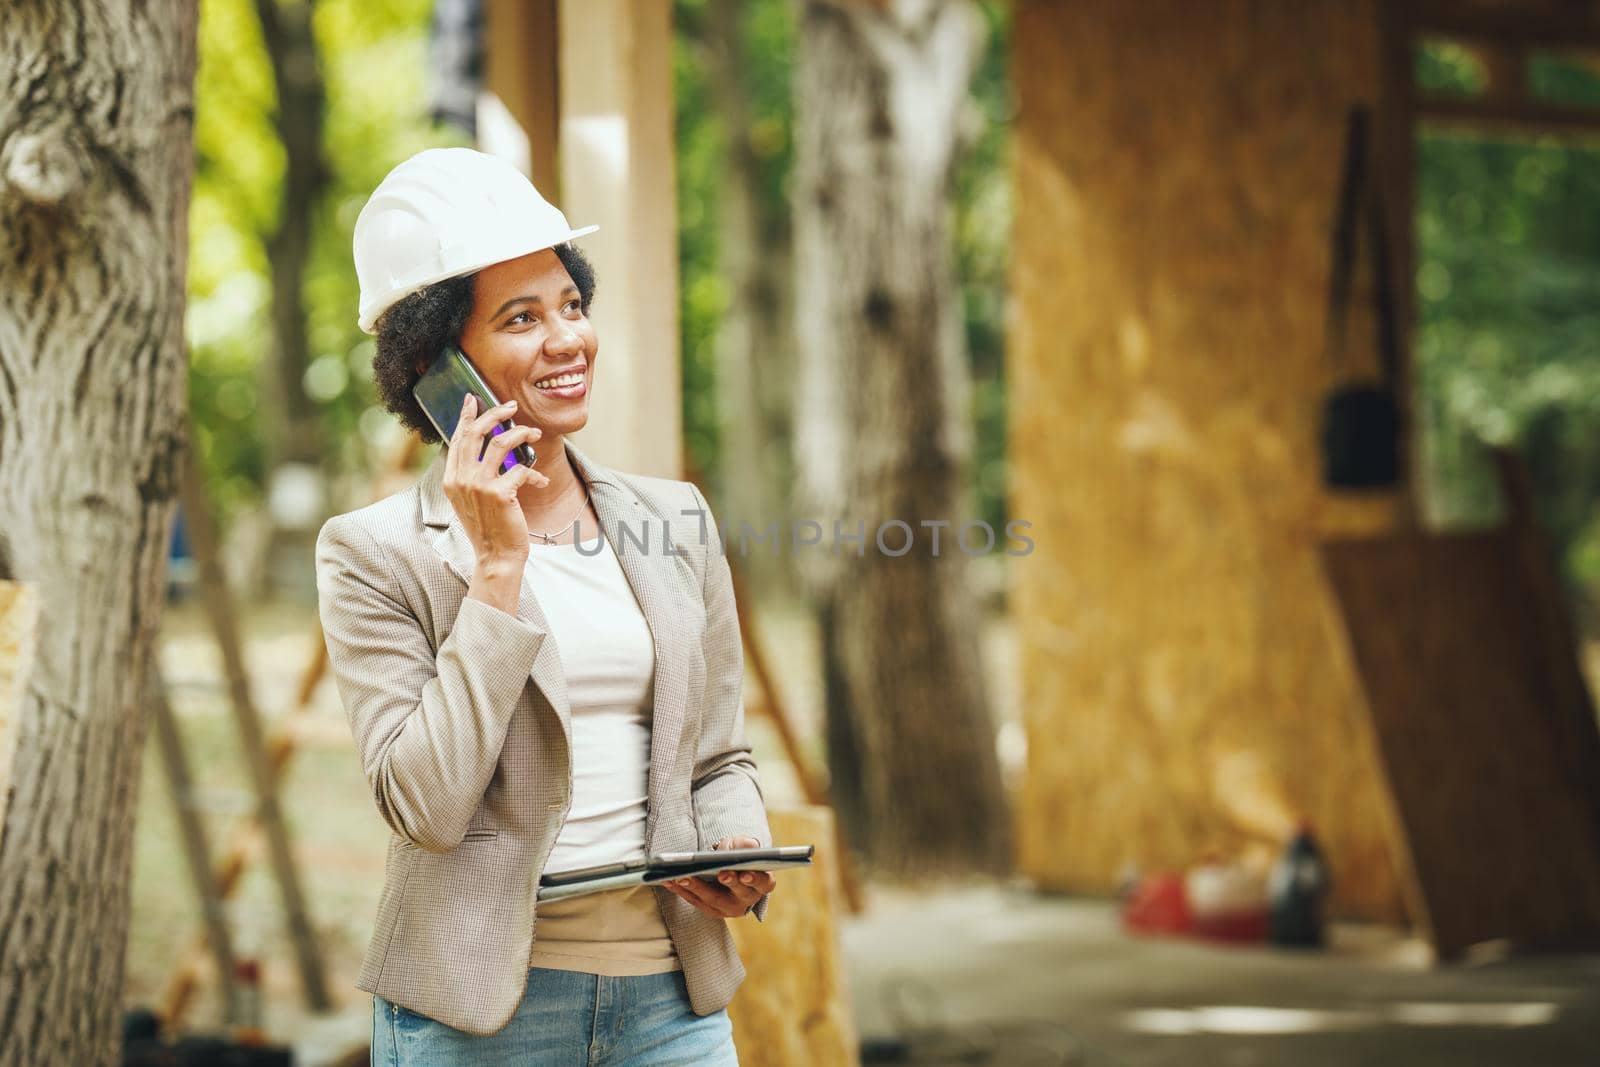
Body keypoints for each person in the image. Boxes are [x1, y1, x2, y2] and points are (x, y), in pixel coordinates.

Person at [315, 147, 775, 1065]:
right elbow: (426, 806)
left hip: (672, 1007)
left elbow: (720, 755)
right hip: (483, 1016)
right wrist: (494, 570)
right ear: (440, 368)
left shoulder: (674, 519)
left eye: (572, 304)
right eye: (522, 318)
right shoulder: (374, 552)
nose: (568, 339)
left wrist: (737, 838)